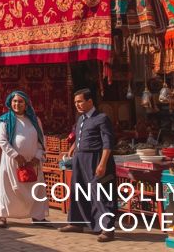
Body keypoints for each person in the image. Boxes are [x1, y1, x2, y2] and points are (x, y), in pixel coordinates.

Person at [59, 89, 116, 242]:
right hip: (80, 159)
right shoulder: (81, 118)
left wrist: (103, 163)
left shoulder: (102, 118)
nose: (77, 105)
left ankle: (107, 229)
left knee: (101, 193)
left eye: (80, 101)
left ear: (90, 101)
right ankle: (77, 223)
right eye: (75, 102)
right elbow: (80, 136)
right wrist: (73, 149)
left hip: (96, 159)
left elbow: (108, 143)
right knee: (79, 190)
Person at [0, 90, 48, 228]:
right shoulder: (4, 119)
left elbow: (41, 140)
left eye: (20, 101)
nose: (17, 104)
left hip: (33, 162)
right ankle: (3, 215)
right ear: (10, 103)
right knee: (8, 189)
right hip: (12, 162)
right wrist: (16, 156)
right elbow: (2, 141)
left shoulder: (35, 120)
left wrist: (38, 156)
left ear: (26, 104)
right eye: (14, 101)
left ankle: (38, 216)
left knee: (37, 188)